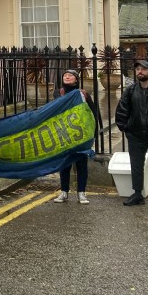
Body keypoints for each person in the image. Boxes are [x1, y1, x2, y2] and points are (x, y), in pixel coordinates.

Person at [52, 69, 97, 204]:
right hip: (64, 134)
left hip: (80, 135)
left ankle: (81, 193)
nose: (67, 76)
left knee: (81, 164)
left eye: (70, 75)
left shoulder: (83, 94)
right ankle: (64, 192)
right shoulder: (58, 93)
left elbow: (93, 113)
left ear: (76, 79)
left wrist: (93, 132)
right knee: (64, 164)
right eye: (65, 75)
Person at [115, 60, 148, 206]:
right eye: (137, 69)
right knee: (136, 165)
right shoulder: (130, 90)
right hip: (136, 133)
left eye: (143, 69)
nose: (140, 71)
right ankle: (137, 194)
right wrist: (125, 128)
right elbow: (122, 110)